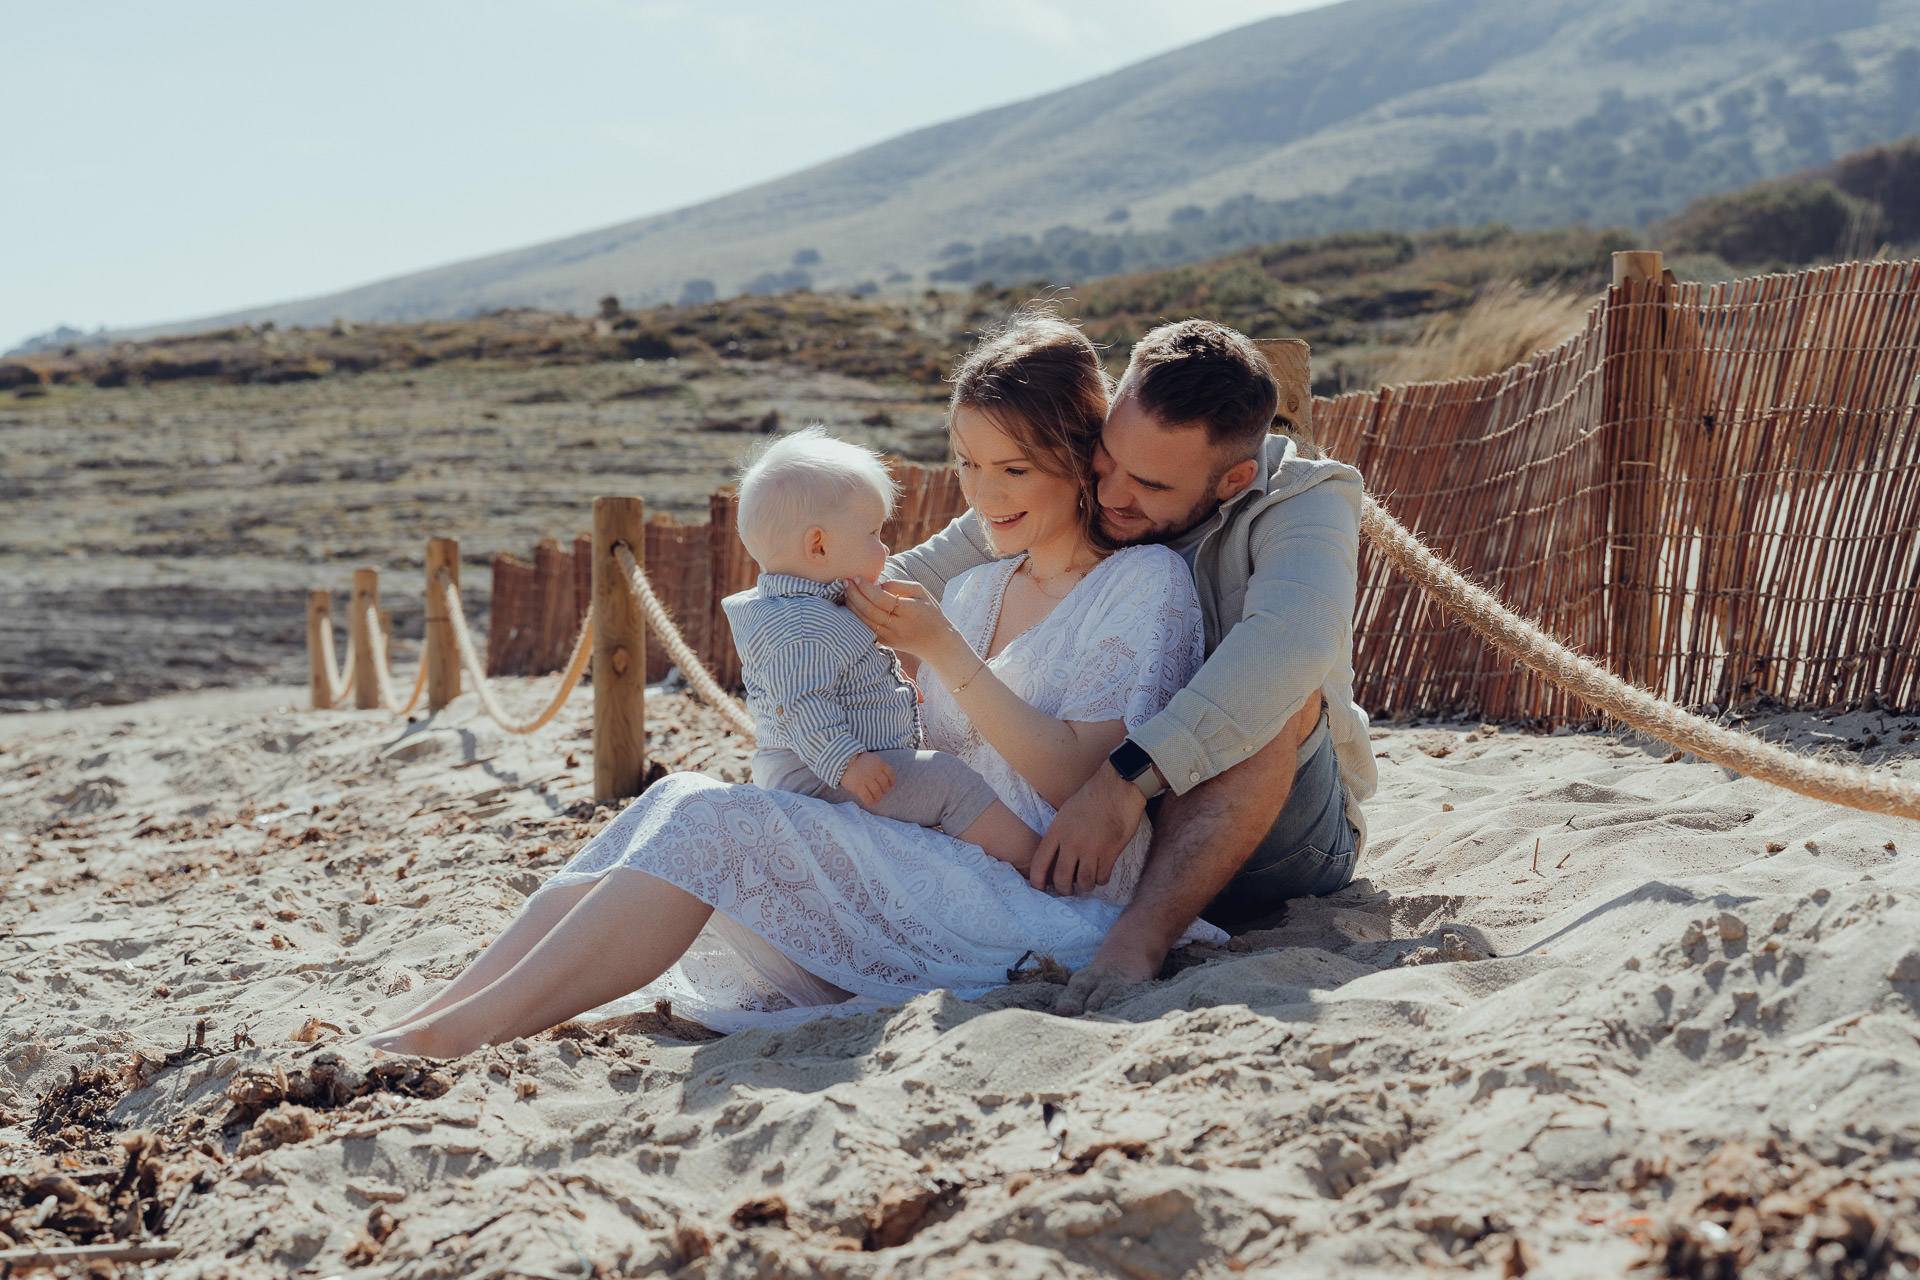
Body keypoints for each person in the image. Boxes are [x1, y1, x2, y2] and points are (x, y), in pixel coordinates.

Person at [360, 313, 1221, 1056]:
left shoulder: (1142, 585)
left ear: (1078, 458)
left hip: (1045, 899)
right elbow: (900, 739)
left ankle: (458, 1036)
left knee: (709, 818)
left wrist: (947, 655)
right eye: (967, 465)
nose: (983, 495)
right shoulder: (976, 586)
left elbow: (1086, 785)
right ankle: (436, 1014)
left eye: (1014, 470)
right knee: (678, 798)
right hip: (933, 856)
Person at [859, 319, 1374, 1017]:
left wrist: (1124, 779)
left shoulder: (1303, 498)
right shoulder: (1089, 493)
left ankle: (1140, 940)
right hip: (1118, 847)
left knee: (1277, 694)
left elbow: (1290, 647)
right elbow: (901, 578)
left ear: (1233, 479)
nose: (1110, 496)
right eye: (1107, 461)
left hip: (1280, 846)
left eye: (1151, 484)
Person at [723, 424, 1039, 868]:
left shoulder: (820, 604)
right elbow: (799, 703)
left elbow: (849, 677)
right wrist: (847, 762)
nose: (884, 546)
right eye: (872, 534)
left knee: (930, 783)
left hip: (832, 766)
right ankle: (1038, 865)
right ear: (818, 546)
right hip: (816, 776)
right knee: (949, 781)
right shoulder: (797, 622)